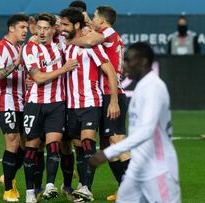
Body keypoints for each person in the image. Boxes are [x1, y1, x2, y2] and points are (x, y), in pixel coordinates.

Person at [90, 42, 181, 203]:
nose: (123, 65)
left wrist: (108, 152)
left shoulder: (153, 88)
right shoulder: (142, 86)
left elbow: (146, 131)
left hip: (158, 169)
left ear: (143, 62)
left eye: (128, 60)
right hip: (137, 168)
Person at [59, 7, 120, 202]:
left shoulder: (90, 45)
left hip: (90, 103)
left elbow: (109, 71)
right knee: (78, 148)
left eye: (65, 24)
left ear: (76, 25)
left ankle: (86, 188)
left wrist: (114, 100)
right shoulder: (65, 46)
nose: (62, 27)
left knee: (87, 144)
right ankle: (81, 185)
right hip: (71, 106)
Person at [21, 12, 79, 203]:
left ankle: (50, 185)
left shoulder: (60, 43)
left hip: (56, 104)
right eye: (39, 28)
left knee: (55, 145)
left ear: (53, 29)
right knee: (32, 147)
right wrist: (64, 68)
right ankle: (30, 191)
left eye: (46, 28)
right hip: (34, 104)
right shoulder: (30, 48)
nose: (42, 32)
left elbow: (73, 29)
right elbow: (38, 78)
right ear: (35, 29)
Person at [91, 6, 130, 201]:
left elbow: (89, 40)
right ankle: (124, 187)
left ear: (103, 21)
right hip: (107, 94)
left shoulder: (106, 33)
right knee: (109, 146)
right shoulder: (113, 35)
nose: (92, 19)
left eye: (94, 17)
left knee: (118, 142)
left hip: (112, 94)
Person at [0, 14, 29, 202]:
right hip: (6, 102)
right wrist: (15, 64)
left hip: (22, 103)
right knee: (12, 142)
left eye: (26, 28)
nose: (25, 31)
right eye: (21, 27)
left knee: (27, 145)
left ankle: (9, 176)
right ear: (11, 28)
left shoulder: (19, 48)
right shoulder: (1, 48)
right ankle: (8, 190)